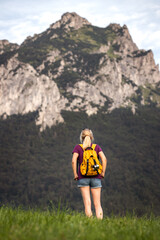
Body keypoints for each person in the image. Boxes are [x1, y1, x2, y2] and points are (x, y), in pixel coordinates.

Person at [72, 128, 107, 219]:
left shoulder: (78, 147)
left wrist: (75, 174)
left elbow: (73, 161)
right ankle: (99, 224)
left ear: (81, 138)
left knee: (87, 203)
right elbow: (104, 159)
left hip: (83, 177)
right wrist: (102, 172)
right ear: (91, 137)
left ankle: (90, 224)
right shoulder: (96, 147)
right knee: (97, 204)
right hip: (96, 177)